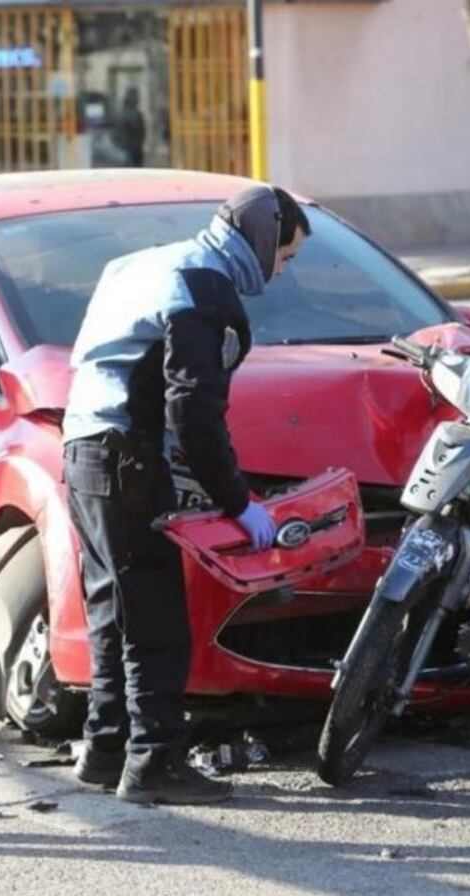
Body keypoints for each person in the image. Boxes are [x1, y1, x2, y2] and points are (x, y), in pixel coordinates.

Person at [62, 184, 309, 805]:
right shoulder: (204, 285)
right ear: (262, 239)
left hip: (83, 448)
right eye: (285, 255)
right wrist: (237, 500)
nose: (281, 271)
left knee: (112, 608)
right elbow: (193, 409)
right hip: (127, 455)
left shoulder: (145, 263)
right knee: (155, 618)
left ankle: (106, 749)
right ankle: (155, 762)